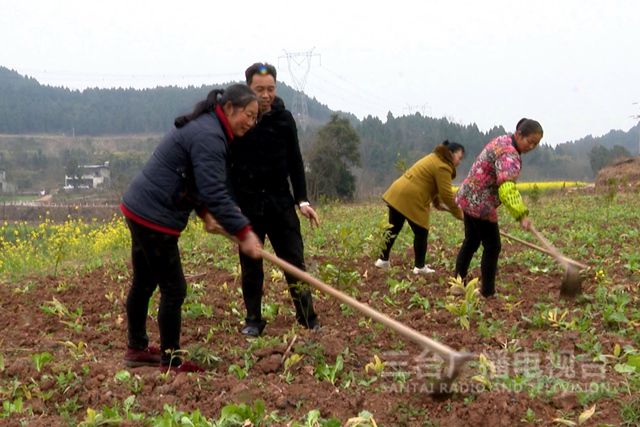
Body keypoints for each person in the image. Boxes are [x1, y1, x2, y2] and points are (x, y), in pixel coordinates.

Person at [120, 84, 263, 372]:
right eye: (248, 114)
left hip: (140, 206)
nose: (251, 122)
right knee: (174, 289)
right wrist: (244, 232)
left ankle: (136, 348)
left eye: (255, 117)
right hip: (154, 215)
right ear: (231, 108)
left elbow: (192, 179)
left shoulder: (208, 127)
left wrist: (205, 212)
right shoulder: (210, 135)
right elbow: (213, 189)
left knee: (145, 281)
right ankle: (171, 362)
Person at [227, 62, 320, 337]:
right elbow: (227, 166)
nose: (265, 95)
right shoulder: (238, 122)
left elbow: (295, 160)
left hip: (280, 204)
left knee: (294, 261)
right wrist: (230, 203)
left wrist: (302, 199)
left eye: (270, 89)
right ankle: (253, 320)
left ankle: (307, 318)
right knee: (251, 266)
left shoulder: (285, 119)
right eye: (259, 90)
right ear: (248, 89)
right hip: (248, 207)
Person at [454, 118, 543, 297]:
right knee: (493, 246)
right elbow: (507, 187)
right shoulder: (509, 154)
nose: (531, 146)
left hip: (467, 195)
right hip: (480, 202)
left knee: (471, 241)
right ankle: (487, 291)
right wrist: (521, 215)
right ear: (519, 134)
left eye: (536, 144)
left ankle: (457, 284)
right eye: (529, 141)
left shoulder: (503, 141)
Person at [374, 140, 465, 274]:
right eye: (459, 157)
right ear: (450, 153)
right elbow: (446, 194)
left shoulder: (433, 158)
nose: (459, 161)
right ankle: (420, 266)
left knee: (393, 228)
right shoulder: (443, 166)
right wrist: (459, 213)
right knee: (421, 231)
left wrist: (437, 203)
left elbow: (430, 183)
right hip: (412, 197)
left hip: (398, 192)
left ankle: (382, 260)